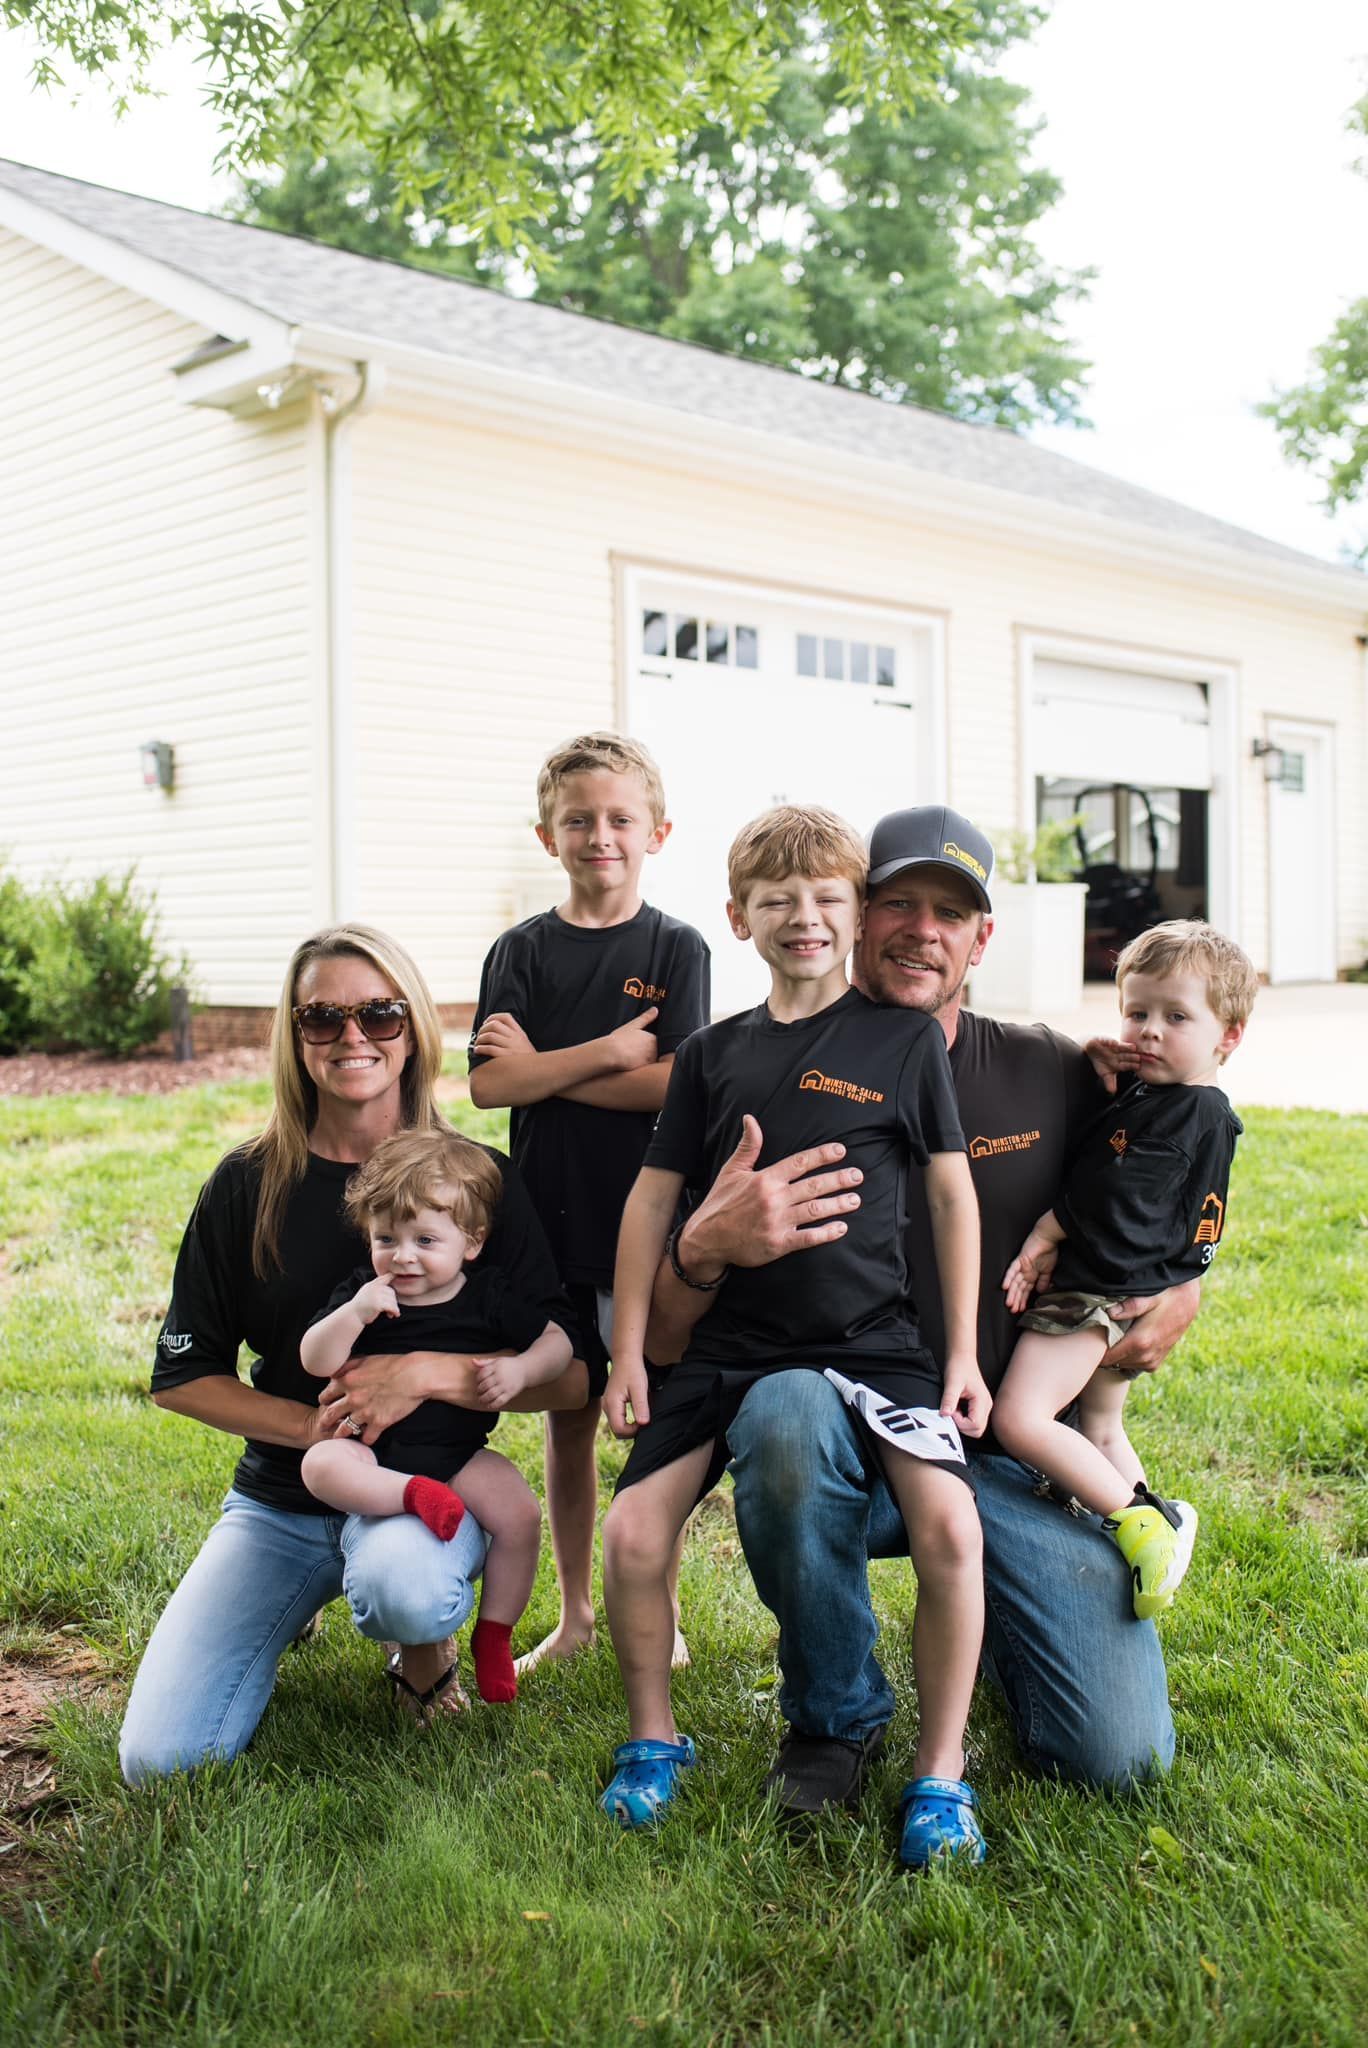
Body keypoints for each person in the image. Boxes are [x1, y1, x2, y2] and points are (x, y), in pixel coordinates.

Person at [650, 805, 1196, 1831]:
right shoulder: (753, 1074)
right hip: (846, 1448)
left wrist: (1185, 1281)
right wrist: (704, 1243)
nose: (921, 928)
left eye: (952, 911)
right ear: (856, 914)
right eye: (898, 899)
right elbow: (670, 1337)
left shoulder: (1052, 1069)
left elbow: (1163, 1191)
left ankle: (998, 1626)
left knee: (1115, 1758)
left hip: (1012, 1453)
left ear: (982, 938)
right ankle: (833, 1717)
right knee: (783, 1416)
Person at [598, 805, 991, 1866]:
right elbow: (650, 1201)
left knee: (954, 1532)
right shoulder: (713, 1055)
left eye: (827, 900)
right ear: (738, 918)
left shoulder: (904, 1040)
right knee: (633, 1535)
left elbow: (951, 1197)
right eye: (778, 902)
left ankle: (939, 1772)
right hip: (732, 1347)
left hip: (874, 1345)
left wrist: (959, 1353)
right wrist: (631, 1347)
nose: (806, 919)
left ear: (855, 913)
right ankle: (652, 1737)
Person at [118, 924, 586, 1783]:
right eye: (322, 1018)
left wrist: (431, 1376)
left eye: (380, 1012)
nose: (352, 1037)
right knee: (162, 1760)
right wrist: (322, 1429)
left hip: (427, 1493)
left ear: (414, 1028)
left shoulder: (479, 1179)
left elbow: (574, 1375)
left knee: (405, 1586)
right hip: (282, 1500)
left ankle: (426, 1650)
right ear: (294, 1039)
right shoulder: (245, 1184)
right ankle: (290, 1604)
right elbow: (184, 1377)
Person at [468, 732, 710, 1673]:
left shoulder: (676, 947)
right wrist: (611, 1054)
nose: (599, 835)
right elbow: (490, 1089)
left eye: (619, 819)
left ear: (657, 832)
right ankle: (573, 1617)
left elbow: (677, 1087)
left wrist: (546, 1071)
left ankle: (661, 1607)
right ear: (546, 836)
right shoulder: (520, 952)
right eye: (579, 820)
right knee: (568, 1422)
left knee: (650, 1421)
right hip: (544, 1223)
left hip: (644, 1228)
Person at [995, 920, 1255, 1618]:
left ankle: (1147, 1530)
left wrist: (1045, 1233)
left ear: (1229, 1035)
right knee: (1099, 1428)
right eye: (1137, 1012)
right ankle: (1155, 1522)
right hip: (1125, 1290)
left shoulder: (1192, 1111)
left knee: (1022, 1418)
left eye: (1176, 1017)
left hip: (1096, 1291)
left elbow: (1120, 1195)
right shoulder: (1167, 1099)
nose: (1148, 1031)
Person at [299, 1129, 573, 1703]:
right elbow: (314, 1358)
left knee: (520, 1515)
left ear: (471, 1244)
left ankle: (495, 1634)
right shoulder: (364, 1292)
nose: (403, 1256)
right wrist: (353, 1312)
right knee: (321, 1464)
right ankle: (411, 1495)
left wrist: (521, 1371)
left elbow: (559, 1343)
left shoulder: (486, 1296)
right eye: (386, 1238)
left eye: (425, 1239)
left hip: (457, 1457)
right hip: (375, 1459)